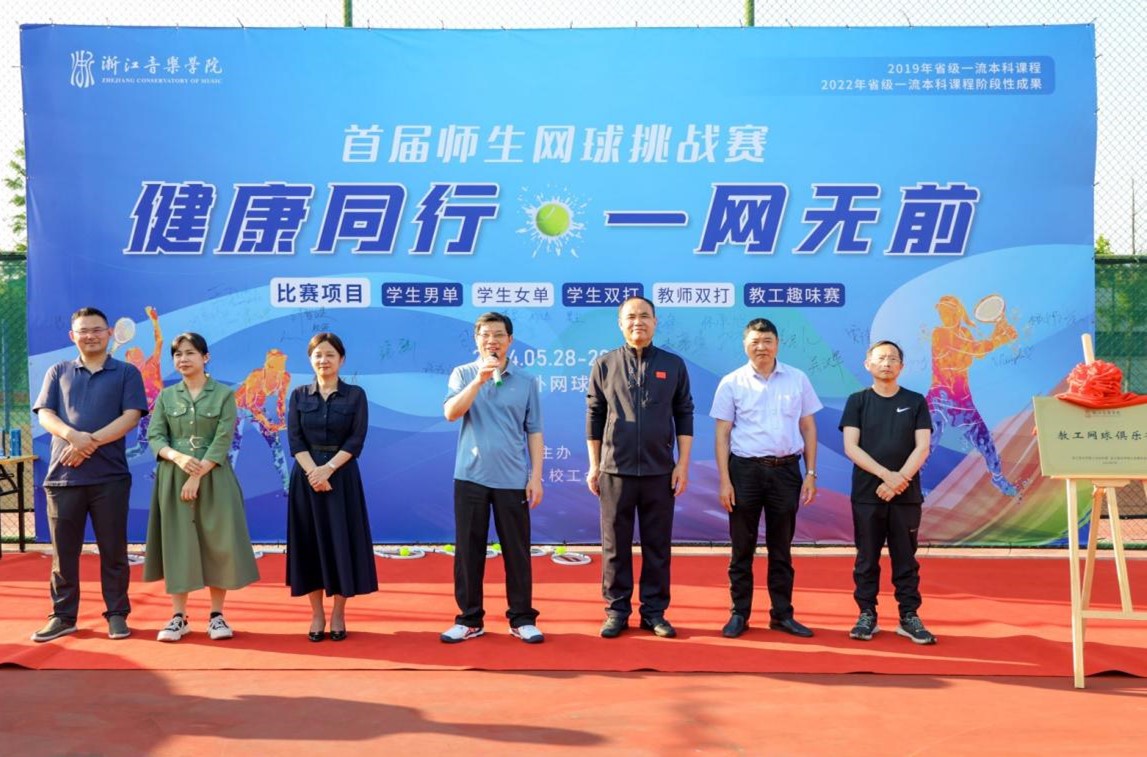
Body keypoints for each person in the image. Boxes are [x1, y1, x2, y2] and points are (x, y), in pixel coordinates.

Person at [30, 307, 148, 642]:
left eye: (97, 330)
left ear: (109, 333)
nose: (90, 336)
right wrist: (72, 436)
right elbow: (45, 414)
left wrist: (88, 442)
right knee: (64, 554)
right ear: (73, 336)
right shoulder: (58, 371)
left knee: (114, 551)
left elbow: (131, 416)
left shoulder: (126, 373)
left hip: (110, 477)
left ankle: (117, 614)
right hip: (63, 478)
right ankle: (63, 616)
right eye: (83, 331)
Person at [586, 296, 693, 639]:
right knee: (614, 546)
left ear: (655, 322)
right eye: (631, 317)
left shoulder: (673, 365)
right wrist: (595, 465)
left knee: (657, 546)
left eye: (645, 316)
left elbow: (684, 414)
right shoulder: (604, 364)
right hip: (615, 469)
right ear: (621, 324)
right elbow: (594, 415)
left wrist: (682, 465)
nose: (638, 322)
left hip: (660, 471)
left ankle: (654, 612)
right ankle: (616, 611)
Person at [144, 332, 260, 642]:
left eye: (190, 353)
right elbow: (155, 436)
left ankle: (217, 616)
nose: (183, 359)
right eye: (178, 354)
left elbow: (223, 439)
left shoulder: (223, 395)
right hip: (173, 477)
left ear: (205, 357)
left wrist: (197, 474)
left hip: (214, 477)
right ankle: (178, 617)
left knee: (217, 542)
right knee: (177, 542)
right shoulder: (167, 397)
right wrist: (178, 457)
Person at [710, 318, 820, 639]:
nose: (762, 347)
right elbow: (722, 435)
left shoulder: (797, 379)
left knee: (781, 548)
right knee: (741, 548)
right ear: (745, 345)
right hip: (745, 472)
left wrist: (810, 473)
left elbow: (808, 427)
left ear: (777, 344)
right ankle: (739, 614)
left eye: (767, 341)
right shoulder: (732, 382)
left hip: (786, 471)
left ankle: (782, 615)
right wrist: (725, 480)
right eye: (755, 342)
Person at [441, 312, 545, 644]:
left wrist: (536, 477)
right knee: (468, 551)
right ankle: (469, 619)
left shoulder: (526, 381)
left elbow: (534, 431)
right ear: (477, 340)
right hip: (470, 476)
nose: (492, 341)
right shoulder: (463, 374)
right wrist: (479, 380)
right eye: (485, 335)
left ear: (510, 340)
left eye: (499, 335)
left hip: (512, 478)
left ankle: (522, 618)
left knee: (517, 551)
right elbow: (451, 413)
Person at [840, 340, 935, 644]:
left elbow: (923, 446)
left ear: (901, 367)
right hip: (868, 494)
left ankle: (909, 616)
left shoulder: (916, 401)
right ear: (868, 364)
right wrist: (886, 476)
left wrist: (900, 479)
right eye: (880, 358)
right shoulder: (857, 401)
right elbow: (851, 447)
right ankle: (866, 614)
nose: (886, 363)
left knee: (905, 558)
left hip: (906, 495)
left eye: (893, 359)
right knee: (867, 558)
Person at [286, 332, 378, 642]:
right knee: (309, 545)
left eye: (330, 355)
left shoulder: (355, 395)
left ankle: (338, 612)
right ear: (310, 359)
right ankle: (317, 614)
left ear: (341, 359)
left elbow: (356, 439)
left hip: (342, 477)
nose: (323, 360)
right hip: (306, 478)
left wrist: (328, 469)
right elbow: (295, 440)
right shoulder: (299, 395)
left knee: (342, 543)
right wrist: (314, 472)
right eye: (318, 355)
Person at [926, 294, 1018, 495]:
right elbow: (972, 350)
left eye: (948, 311)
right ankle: (911, 485)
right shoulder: (939, 334)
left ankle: (998, 479)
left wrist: (997, 335)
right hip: (939, 399)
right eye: (941, 311)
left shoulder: (965, 333)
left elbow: (975, 353)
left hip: (963, 403)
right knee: (924, 446)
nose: (944, 315)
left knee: (987, 444)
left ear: (958, 312)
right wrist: (1000, 339)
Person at [229, 348, 291, 491]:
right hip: (238, 408)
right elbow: (250, 404)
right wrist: (268, 423)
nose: (277, 372)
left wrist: (281, 421)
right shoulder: (256, 376)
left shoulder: (285, 377)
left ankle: (287, 485)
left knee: (275, 442)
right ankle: (227, 485)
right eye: (274, 367)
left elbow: (281, 401)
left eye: (280, 367)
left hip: (257, 408)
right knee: (234, 446)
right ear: (267, 366)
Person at [125, 306, 164, 459]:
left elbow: (159, 341)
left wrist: (154, 321)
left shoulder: (152, 364)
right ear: (128, 360)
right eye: (131, 354)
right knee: (141, 448)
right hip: (145, 416)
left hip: (162, 412)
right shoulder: (128, 376)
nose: (136, 355)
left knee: (166, 445)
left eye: (138, 352)